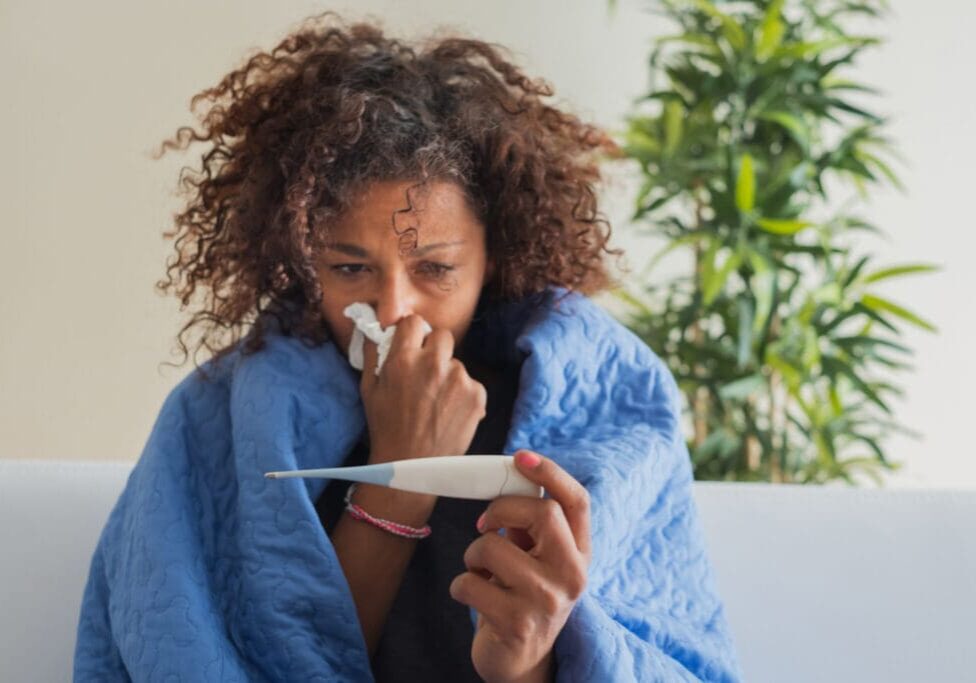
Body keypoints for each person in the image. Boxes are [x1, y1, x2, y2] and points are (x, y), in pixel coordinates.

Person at [74, 12, 742, 682]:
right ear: (302, 260)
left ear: (494, 256)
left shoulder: (602, 406)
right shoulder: (219, 417)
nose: (393, 310)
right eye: (350, 268)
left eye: (435, 269)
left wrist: (529, 661)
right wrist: (403, 471)